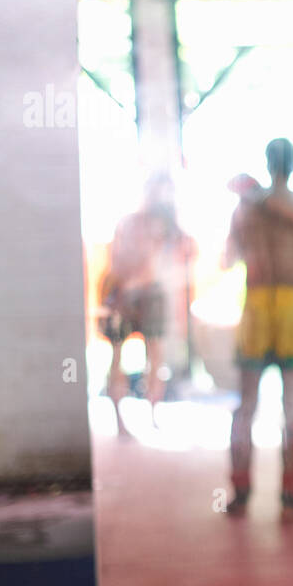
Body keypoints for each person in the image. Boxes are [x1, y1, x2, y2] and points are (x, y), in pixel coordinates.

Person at [223, 138, 293, 516]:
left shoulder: (252, 206)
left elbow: (227, 258)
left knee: (248, 404)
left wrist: (260, 201)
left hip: (259, 306)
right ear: (292, 164)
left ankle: (242, 492)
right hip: (286, 306)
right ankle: (288, 496)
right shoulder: (292, 203)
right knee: (290, 404)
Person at [98, 171, 195, 436]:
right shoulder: (130, 223)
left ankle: (152, 413)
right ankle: (120, 421)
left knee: (155, 355)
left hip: (147, 294)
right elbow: (117, 260)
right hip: (124, 294)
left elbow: (186, 248)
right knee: (118, 357)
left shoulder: (163, 225)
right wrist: (119, 295)